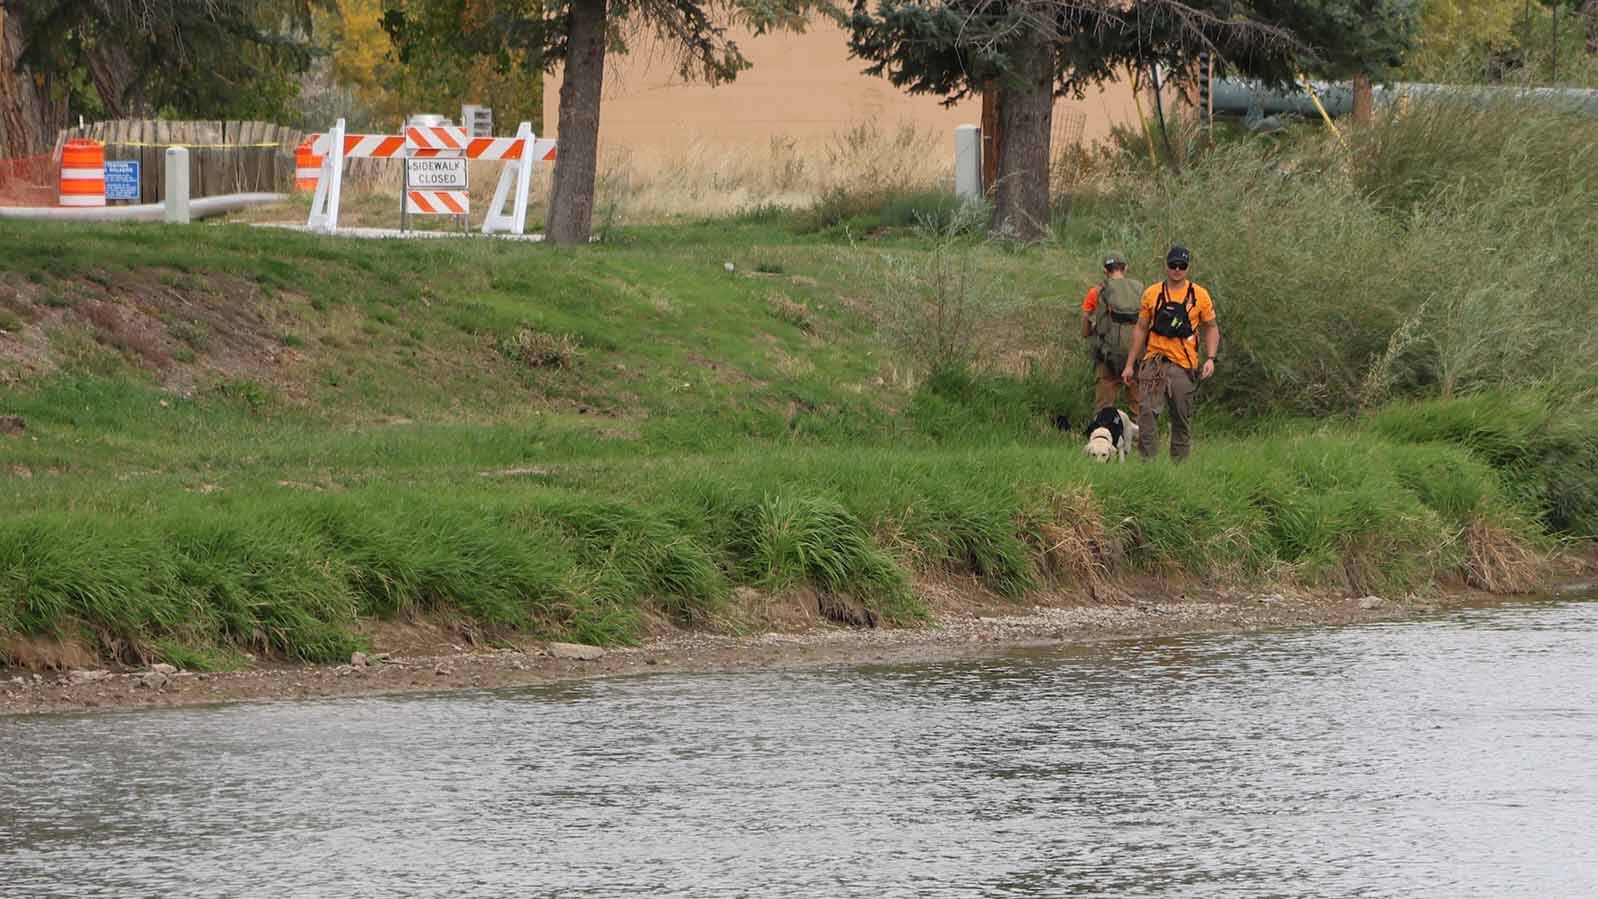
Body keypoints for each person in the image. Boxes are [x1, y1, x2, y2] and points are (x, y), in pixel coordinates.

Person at [1120, 245, 1221, 461]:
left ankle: (1179, 467)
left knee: (1181, 418)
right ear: (1166, 266)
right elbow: (1140, 328)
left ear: (1188, 267)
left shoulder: (1200, 295)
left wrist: (1211, 359)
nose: (1177, 269)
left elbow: (1211, 327)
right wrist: (1130, 364)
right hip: (1154, 363)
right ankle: (1148, 466)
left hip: (1184, 366)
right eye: (1173, 265)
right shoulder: (1152, 293)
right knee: (1147, 414)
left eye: (1182, 265)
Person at [1080, 252, 1145, 417]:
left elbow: (1085, 331)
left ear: (1104, 270)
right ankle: (1139, 439)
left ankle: (1103, 438)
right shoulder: (1141, 290)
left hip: (1107, 356)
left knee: (1103, 408)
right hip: (1136, 354)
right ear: (1126, 268)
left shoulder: (1096, 292)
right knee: (1137, 406)